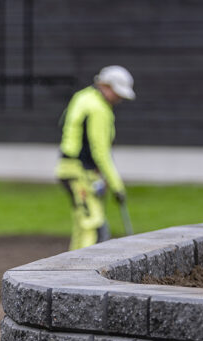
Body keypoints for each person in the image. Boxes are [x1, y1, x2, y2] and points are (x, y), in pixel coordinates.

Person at [55, 65, 135, 250]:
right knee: (94, 228)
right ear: (106, 86)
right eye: (118, 94)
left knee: (81, 225)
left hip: (69, 168)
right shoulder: (98, 108)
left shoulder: (82, 96)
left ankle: (69, 272)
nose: (120, 99)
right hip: (80, 172)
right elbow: (100, 150)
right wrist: (117, 186)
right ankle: (82, 273)